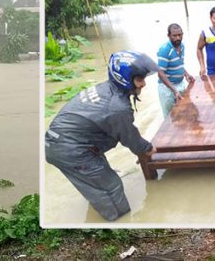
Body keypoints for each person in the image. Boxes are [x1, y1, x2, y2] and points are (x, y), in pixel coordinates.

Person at [45, 51, 158, 221]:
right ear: (125, 79)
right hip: (72, 149)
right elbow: (129, 136)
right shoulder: (117, 107)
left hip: (66, 143)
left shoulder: (106, 89)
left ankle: (100, 210)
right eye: (140, 79)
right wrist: (147, 148)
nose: (143, 85)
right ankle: (119, 223)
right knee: (111, 188)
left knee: (98, 182)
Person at [157, 23, 196, 117]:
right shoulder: (165, 50)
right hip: (167, 88)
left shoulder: (182, 46)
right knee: (170, 117)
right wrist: (174, 90)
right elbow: (160, 73)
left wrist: (186, 74)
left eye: (180, 35)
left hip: (180, 84)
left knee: (184, 113)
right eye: (174, 36)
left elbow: (179, 64)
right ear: (169, 36)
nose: (178, 38)